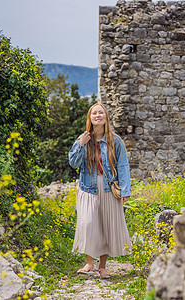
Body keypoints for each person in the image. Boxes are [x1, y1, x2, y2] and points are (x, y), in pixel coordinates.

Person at [68, 103, 132, 279]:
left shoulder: (115, 140)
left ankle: (102, 267)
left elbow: (123, 165)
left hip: (108, 187)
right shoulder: (83, 139)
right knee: (88, 224)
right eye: (94, 113)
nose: (98, 115)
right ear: (90, 118)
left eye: (101, 112)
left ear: (105, 117)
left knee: (105, 227)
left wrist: (125, 190)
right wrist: (81, 145)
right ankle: (89, 263)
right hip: (87, 187)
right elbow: (73, 163)